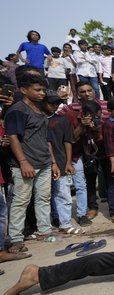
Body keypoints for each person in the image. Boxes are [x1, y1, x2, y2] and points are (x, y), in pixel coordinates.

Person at [5, 73, 53, 252]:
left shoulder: (39, 109)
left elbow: (45, 138)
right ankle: (16, 238)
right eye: (37, 90)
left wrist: (52, 161)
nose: (42, 93)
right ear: (24, 90)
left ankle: (44, 230)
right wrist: (23, 162)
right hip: (25, 164)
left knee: (43, 198)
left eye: (43, 90)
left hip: (44, 162)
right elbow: (13, 137)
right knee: (21, 200)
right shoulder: (18, 110)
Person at [43, 91, 82, 235]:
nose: (54, 106)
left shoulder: (62, 120)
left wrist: (68, 162)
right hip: (42, 163)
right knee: (45, 196)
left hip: (60, 161)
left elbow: (68, 142)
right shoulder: (39, 119)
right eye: (50, 103)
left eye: (56, 104)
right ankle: (52, 223)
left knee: (63, 194)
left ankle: (65, 223)